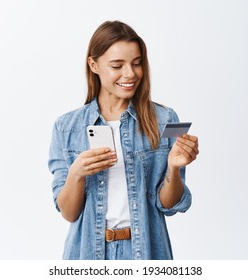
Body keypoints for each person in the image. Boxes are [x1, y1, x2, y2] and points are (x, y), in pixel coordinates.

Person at [48, 20, 199, 260]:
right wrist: (76, 173)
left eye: (137, 64)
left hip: (148, 251)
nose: (130, 74)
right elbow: (68, 212)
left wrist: (173, 166)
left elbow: (169, 206)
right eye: (117, 65)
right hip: (87, 253)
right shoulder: (66, 127)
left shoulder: (165, 120)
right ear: (94, 64)